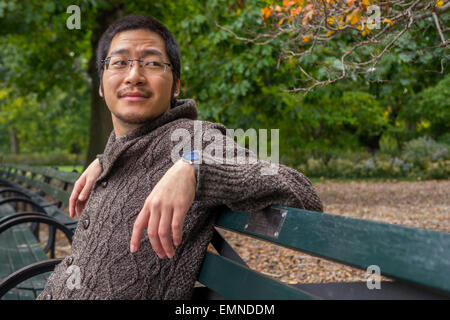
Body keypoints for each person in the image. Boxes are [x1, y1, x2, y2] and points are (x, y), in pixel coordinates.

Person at [37, 14, 323, 300]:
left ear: (175, 85)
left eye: (152, 63)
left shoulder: (193, 140)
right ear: (101, 85)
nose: (134, 76)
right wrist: (106, 158)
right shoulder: (119, 153)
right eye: (120, 62)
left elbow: (302, 194)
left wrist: (196, 169)